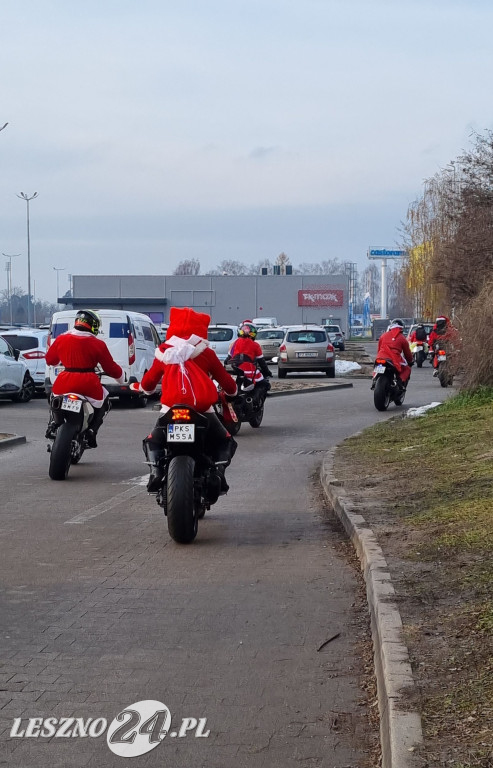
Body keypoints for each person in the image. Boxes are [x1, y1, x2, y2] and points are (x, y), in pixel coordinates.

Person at [130, 307, 238, 493]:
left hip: (170, 409)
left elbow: (148, 385)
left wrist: (139, 388)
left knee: (153, 440)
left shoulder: (164, 354)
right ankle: (218, 473)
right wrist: (233, 392)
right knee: (225, 440)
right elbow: (228, 384)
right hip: (203, 409)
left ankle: (156, 471)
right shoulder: (207, 353)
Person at [45, 309, 125, 447]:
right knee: (104, 400)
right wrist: (121, 378)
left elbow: (50, 360)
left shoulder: (61, 339)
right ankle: (92, 431)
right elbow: (110, 367)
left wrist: (62, 360)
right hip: (88, 383)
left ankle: (54, 423)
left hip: (64, 382)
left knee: (53, 397)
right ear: (94, 326)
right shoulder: (98, 344)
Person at [226, 321, 273, 401]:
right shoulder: (255, 345)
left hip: (233, 369)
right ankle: (253, 401)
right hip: (247, 369)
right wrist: (267, 372)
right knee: (264, 384)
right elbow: (261, 362)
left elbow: (227, 359)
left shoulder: (234, 343)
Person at [376, 318, 414, 391]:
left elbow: (379, 348)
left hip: (380, 357)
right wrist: (410, 361)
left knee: (377, 369)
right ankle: (400, 383)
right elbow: (407, 353)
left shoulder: (383, 336)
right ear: (401, 328)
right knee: (405, 369)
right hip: (394, 359)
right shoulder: (402, 338)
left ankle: (375, 380)